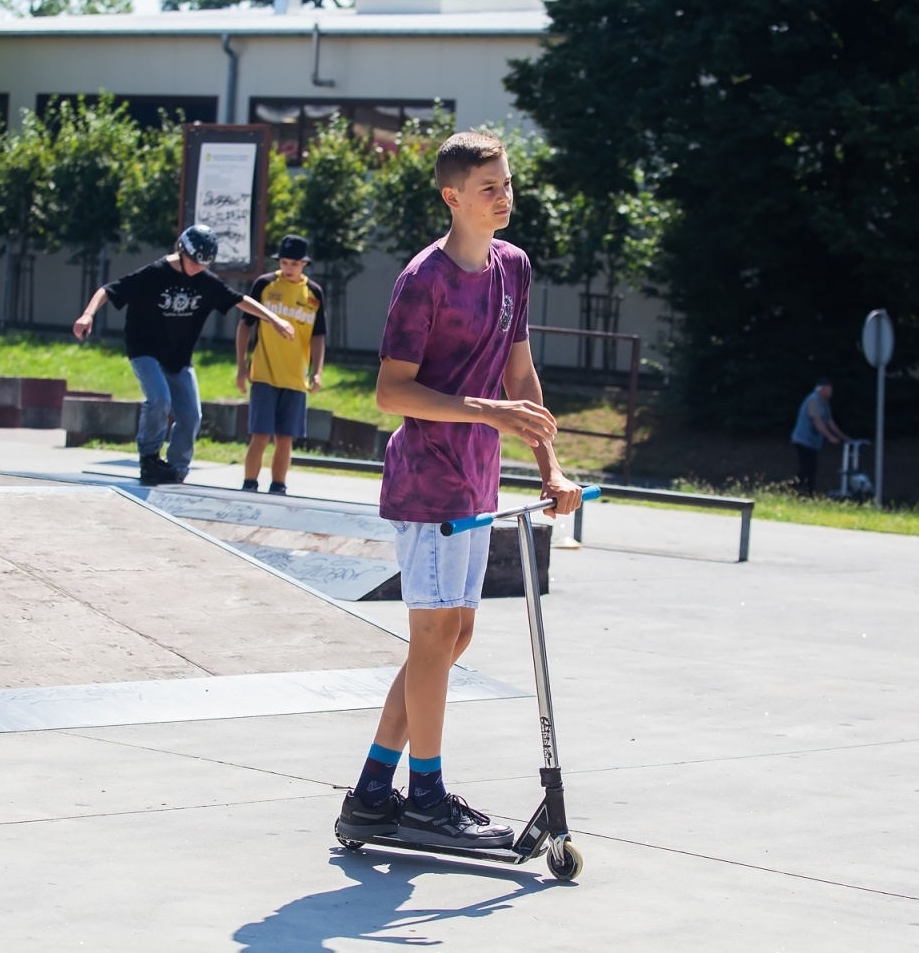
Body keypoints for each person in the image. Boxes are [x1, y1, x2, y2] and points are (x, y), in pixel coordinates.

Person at [334, 130, 583, 850]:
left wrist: (550, 466)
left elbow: (521, 377)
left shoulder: (513, 267)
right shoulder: (424, 281)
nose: (504, 198)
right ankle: (426, 798)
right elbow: (391, 392)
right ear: (452, 197)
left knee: (451, 637)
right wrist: (486, 411)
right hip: (427, 480)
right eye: (488, 189)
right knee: (436, 636)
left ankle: (375, 792)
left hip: (477, 478)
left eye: (506, 183)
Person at [73, 224, 295, 485]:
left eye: (204, 265)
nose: (198, 269)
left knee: (191, 415)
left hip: (178, 356)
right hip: (144, 350)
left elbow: (239, 300)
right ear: (181, 252)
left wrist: (274, 319)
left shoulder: (206, 281)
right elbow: (108, 290)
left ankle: (176, 469)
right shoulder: (155, 273)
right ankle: (149, 459)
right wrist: (88, 314)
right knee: (159, 400)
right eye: (194, 263)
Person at [235, 234, 327, 495]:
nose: (288, 268)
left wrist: (317, 371)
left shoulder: (314, 293)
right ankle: (249, 484)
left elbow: (319, 335)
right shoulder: (264, 285)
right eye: (284, 262)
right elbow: (245, 326)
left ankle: (278, 486)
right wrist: (242, 367)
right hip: (264, 373)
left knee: (286, 438)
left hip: (296, 377)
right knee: (260, 435)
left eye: (294, 264)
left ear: (304, 264)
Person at [790, 377, 851, 495]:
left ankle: (798, 490)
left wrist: (843, 437)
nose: (831, 391)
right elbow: (816, 421)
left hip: (813, 442)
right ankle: (804, 492)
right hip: (803, 440)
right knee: (807, 468)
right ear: (822, 389)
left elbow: (829, 421)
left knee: (809, 468)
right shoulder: (813, 400)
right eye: (829, 388)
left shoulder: (824, 402)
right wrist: (830, 437)